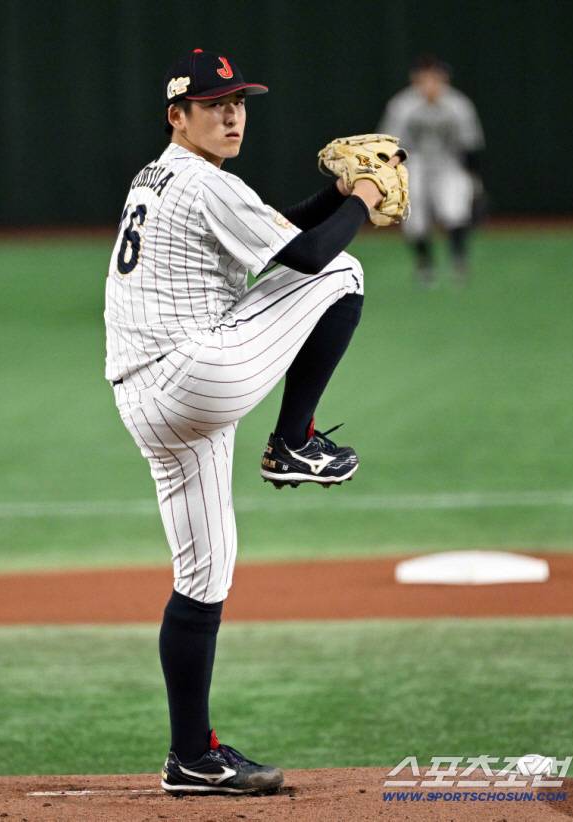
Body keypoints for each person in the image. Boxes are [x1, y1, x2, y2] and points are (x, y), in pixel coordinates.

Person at [104, 48, 402, 795]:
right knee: (343, 272)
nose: (232, 113)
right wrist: (362, 200)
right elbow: (305, 257)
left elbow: (276, 232)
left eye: (239, 101)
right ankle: (294, 441)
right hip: (193, 375)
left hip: (151, 399)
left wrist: (336, 194)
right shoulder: (205, 180)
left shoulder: (162, 176)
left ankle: (191, 757)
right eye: (214, 104)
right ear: (179, 116)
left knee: (204, 575)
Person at [379, 55, 485, 284]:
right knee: (414, 218)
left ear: (444, 79)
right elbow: (388, 145)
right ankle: (425, 265)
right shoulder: (402, 105)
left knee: (455, 211)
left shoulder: (458, 104)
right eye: (424, 77)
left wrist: (474, 178)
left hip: (449, 162)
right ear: (415, 79)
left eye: (435, 77)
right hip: (412, 163)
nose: (430, 83)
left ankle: (459, 261)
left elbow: (471, 144)